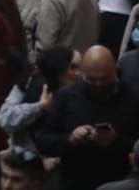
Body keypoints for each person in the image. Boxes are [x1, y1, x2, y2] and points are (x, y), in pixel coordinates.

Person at [40, 43, 139, 188]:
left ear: (115, 72)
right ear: (82, 74)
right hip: (75, 182)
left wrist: (115, 141)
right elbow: (44, 142)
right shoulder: (66, 96)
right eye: (93, 80)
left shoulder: (132, 98)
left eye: (105, 79)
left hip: (119, 181)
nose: (99, 85)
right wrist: (70, 139)